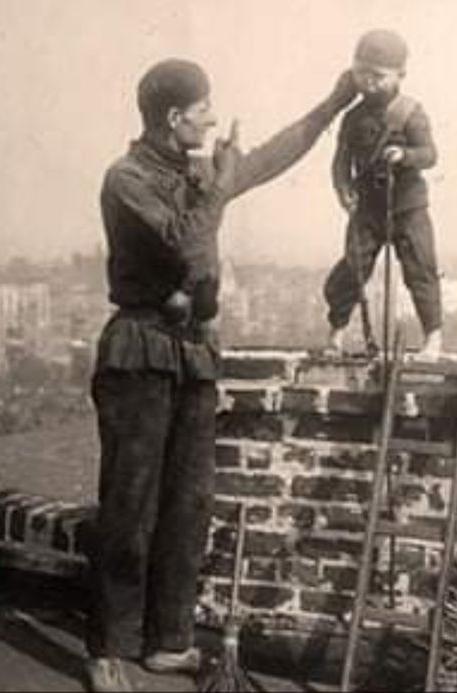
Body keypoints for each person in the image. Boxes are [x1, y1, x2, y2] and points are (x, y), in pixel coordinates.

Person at [85, 58, 356, 692]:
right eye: (203, 108)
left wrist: (332, 103)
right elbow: (185, 239)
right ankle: (107, 648)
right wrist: (222, 180)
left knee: (189, 503)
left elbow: (269, 157)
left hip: (193, 352)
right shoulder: (125, 178)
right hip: (140, 350)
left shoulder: (198, 171)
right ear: (174, 118)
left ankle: (167, 641)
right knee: (129, 506)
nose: (212, 115)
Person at [323, 29, 443, 356]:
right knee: (353, 267)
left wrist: (405, 156)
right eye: (361, 73)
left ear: (400, 75)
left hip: (408, 207)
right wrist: (343, 190)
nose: (368, 83)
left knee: (420, 269)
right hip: (367, 210)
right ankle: (336, 334)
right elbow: (340, 163)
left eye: (377, 76)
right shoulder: (351, 118)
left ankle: (433, 338)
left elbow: (430, 154)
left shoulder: (410, 112)